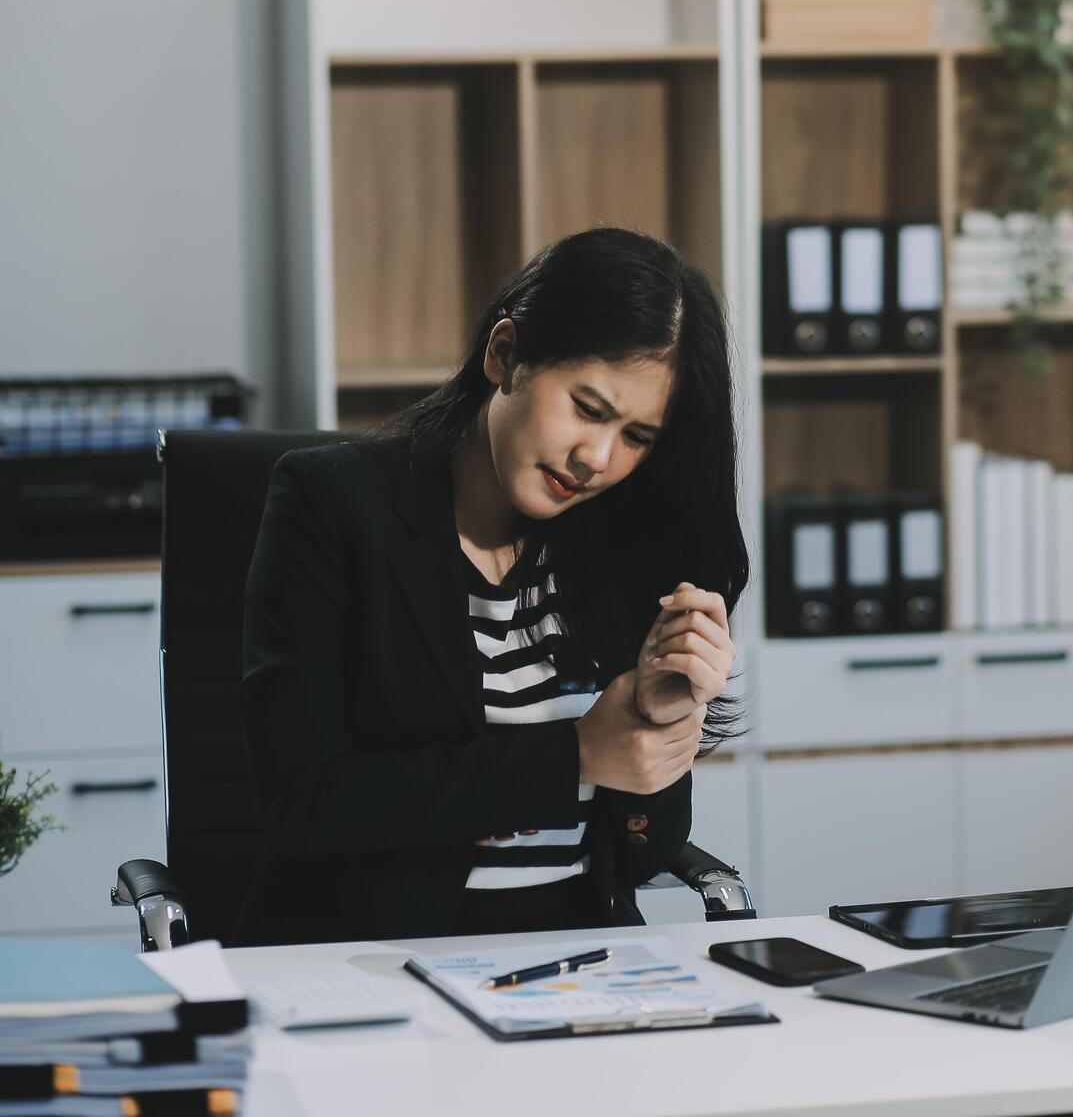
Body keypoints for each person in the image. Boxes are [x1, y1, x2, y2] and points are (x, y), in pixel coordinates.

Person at [235, 225, 749, 945]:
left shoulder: (617, 544)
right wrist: (573, 756)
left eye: (637, 437)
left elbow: (642, 857)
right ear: (504, 355)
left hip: (580, 958)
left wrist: (657, 731)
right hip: (377, 961)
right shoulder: (334, 506)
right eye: (588, 408)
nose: (596, 457)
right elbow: (307, 803)